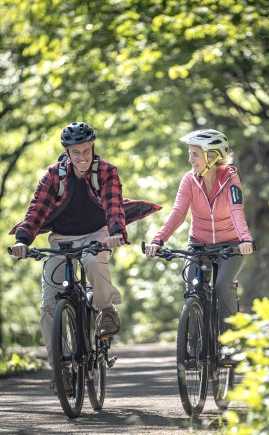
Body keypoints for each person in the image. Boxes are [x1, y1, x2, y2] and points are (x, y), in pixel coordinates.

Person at [9, 122, 161, 380]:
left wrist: (115, 234)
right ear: (67, 153)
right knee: (48, 305)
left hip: (97, 232)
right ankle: (60, 369)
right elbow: (36, 210)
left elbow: (114, 206)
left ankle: (106, 310)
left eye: (87, 151)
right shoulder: (53, 176)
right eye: (76, 152)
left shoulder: (105, 172)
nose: (82, 157)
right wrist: (23, 240)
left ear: (93, 148)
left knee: (92, 260)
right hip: (62, 238)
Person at [145, 128, 254, 341]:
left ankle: (229, 345)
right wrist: (158, 239)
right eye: (190, 154)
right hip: (199, 245)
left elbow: (236, 210)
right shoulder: (189, 180)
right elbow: (178, 213)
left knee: (223, 286)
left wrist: (245, 239)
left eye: (195, 154)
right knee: (194, 289)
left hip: (230, 245)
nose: (190, 159)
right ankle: (195, 347)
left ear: (211, 156)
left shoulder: (231, 178)